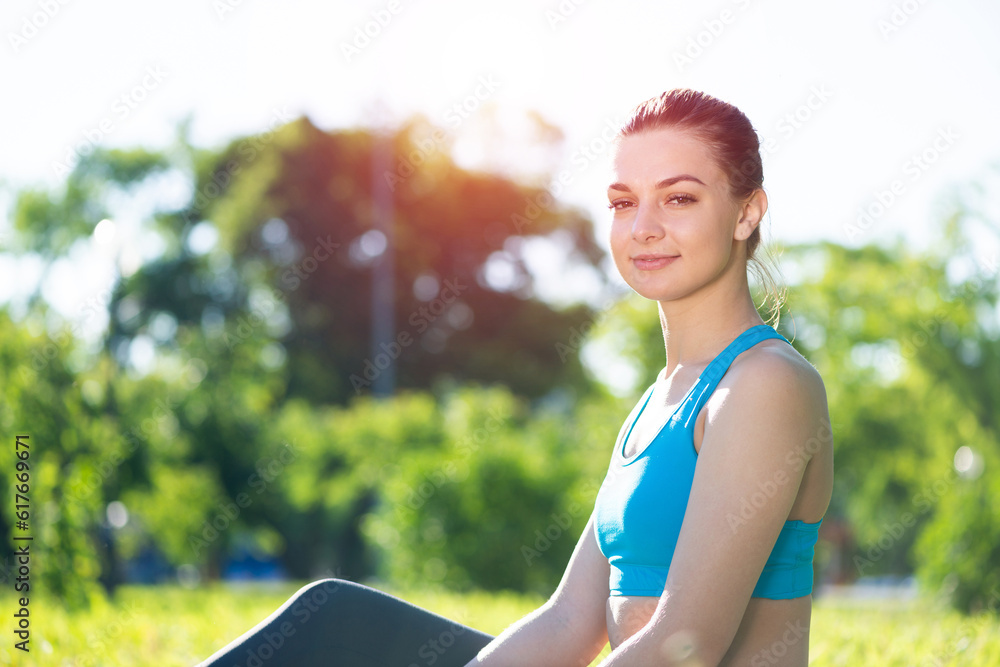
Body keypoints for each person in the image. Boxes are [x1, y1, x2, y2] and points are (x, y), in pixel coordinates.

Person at [196, 88, 833, 667]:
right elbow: (568, 625)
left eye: (680, 198)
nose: (643, 227)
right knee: (332, 618)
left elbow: (684, 644)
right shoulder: (656, 401)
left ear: (748, 213)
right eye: (623, 202)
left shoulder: (764, 384)